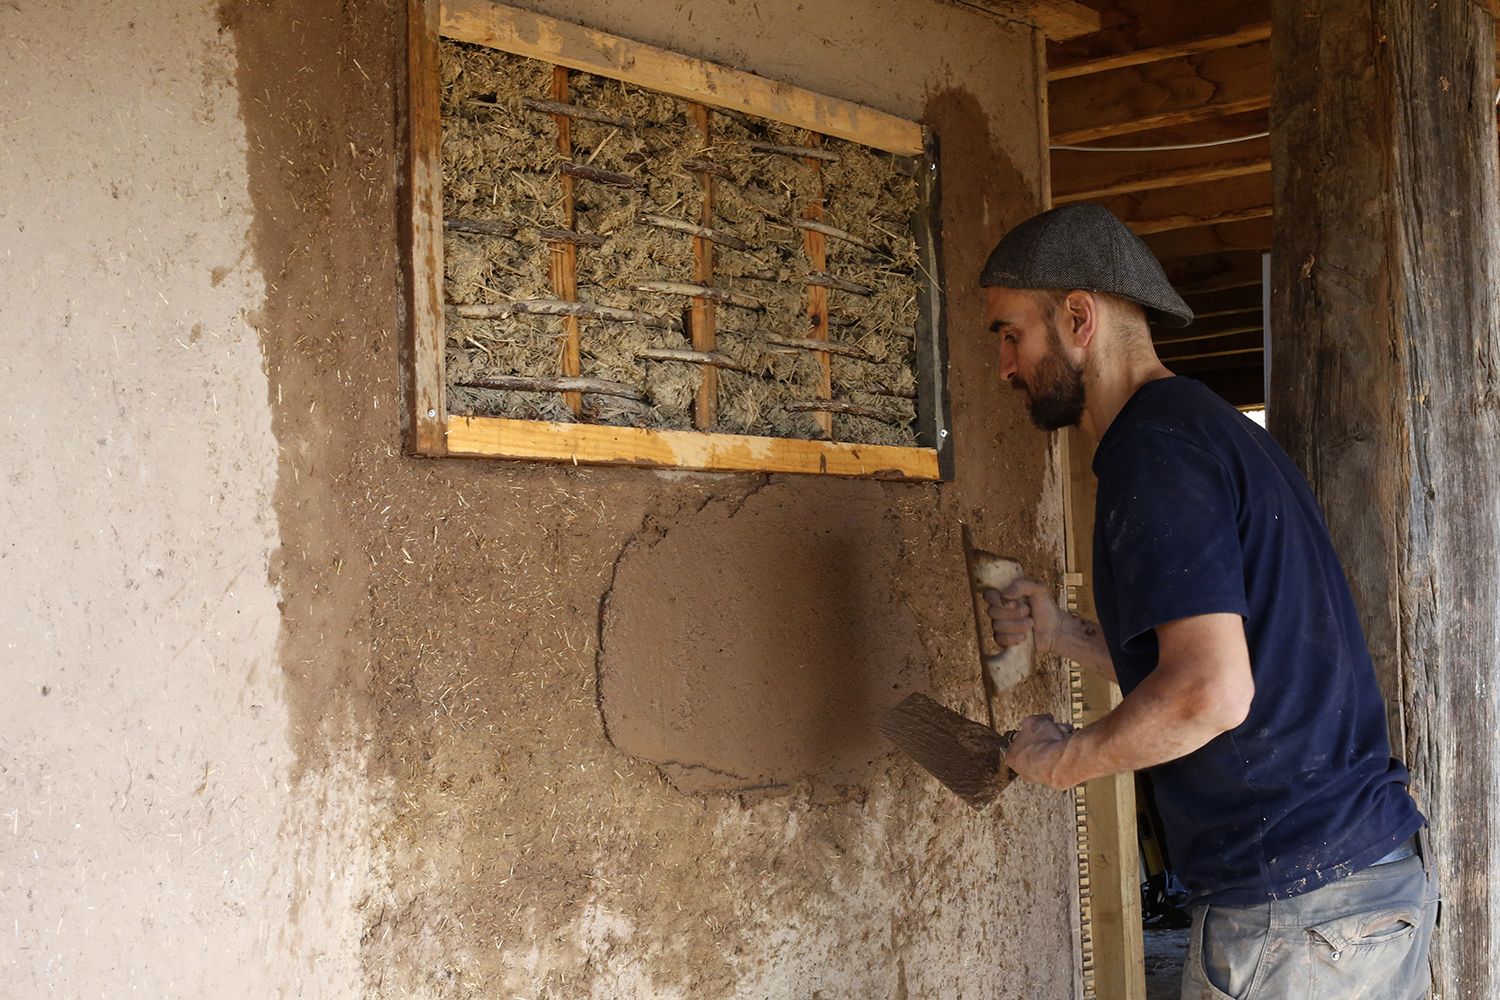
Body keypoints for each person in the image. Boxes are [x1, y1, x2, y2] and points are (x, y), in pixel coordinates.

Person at [979, 204, 1439, 999]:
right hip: (1360, 890)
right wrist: (1064, 633)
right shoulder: (1214, 432)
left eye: (1011, 334)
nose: (1006, 367)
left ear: (1079, 318)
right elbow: (1224, 658)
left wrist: (1065, 761)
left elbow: (1209, 694)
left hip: (1295, 914)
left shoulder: (1150, 453)